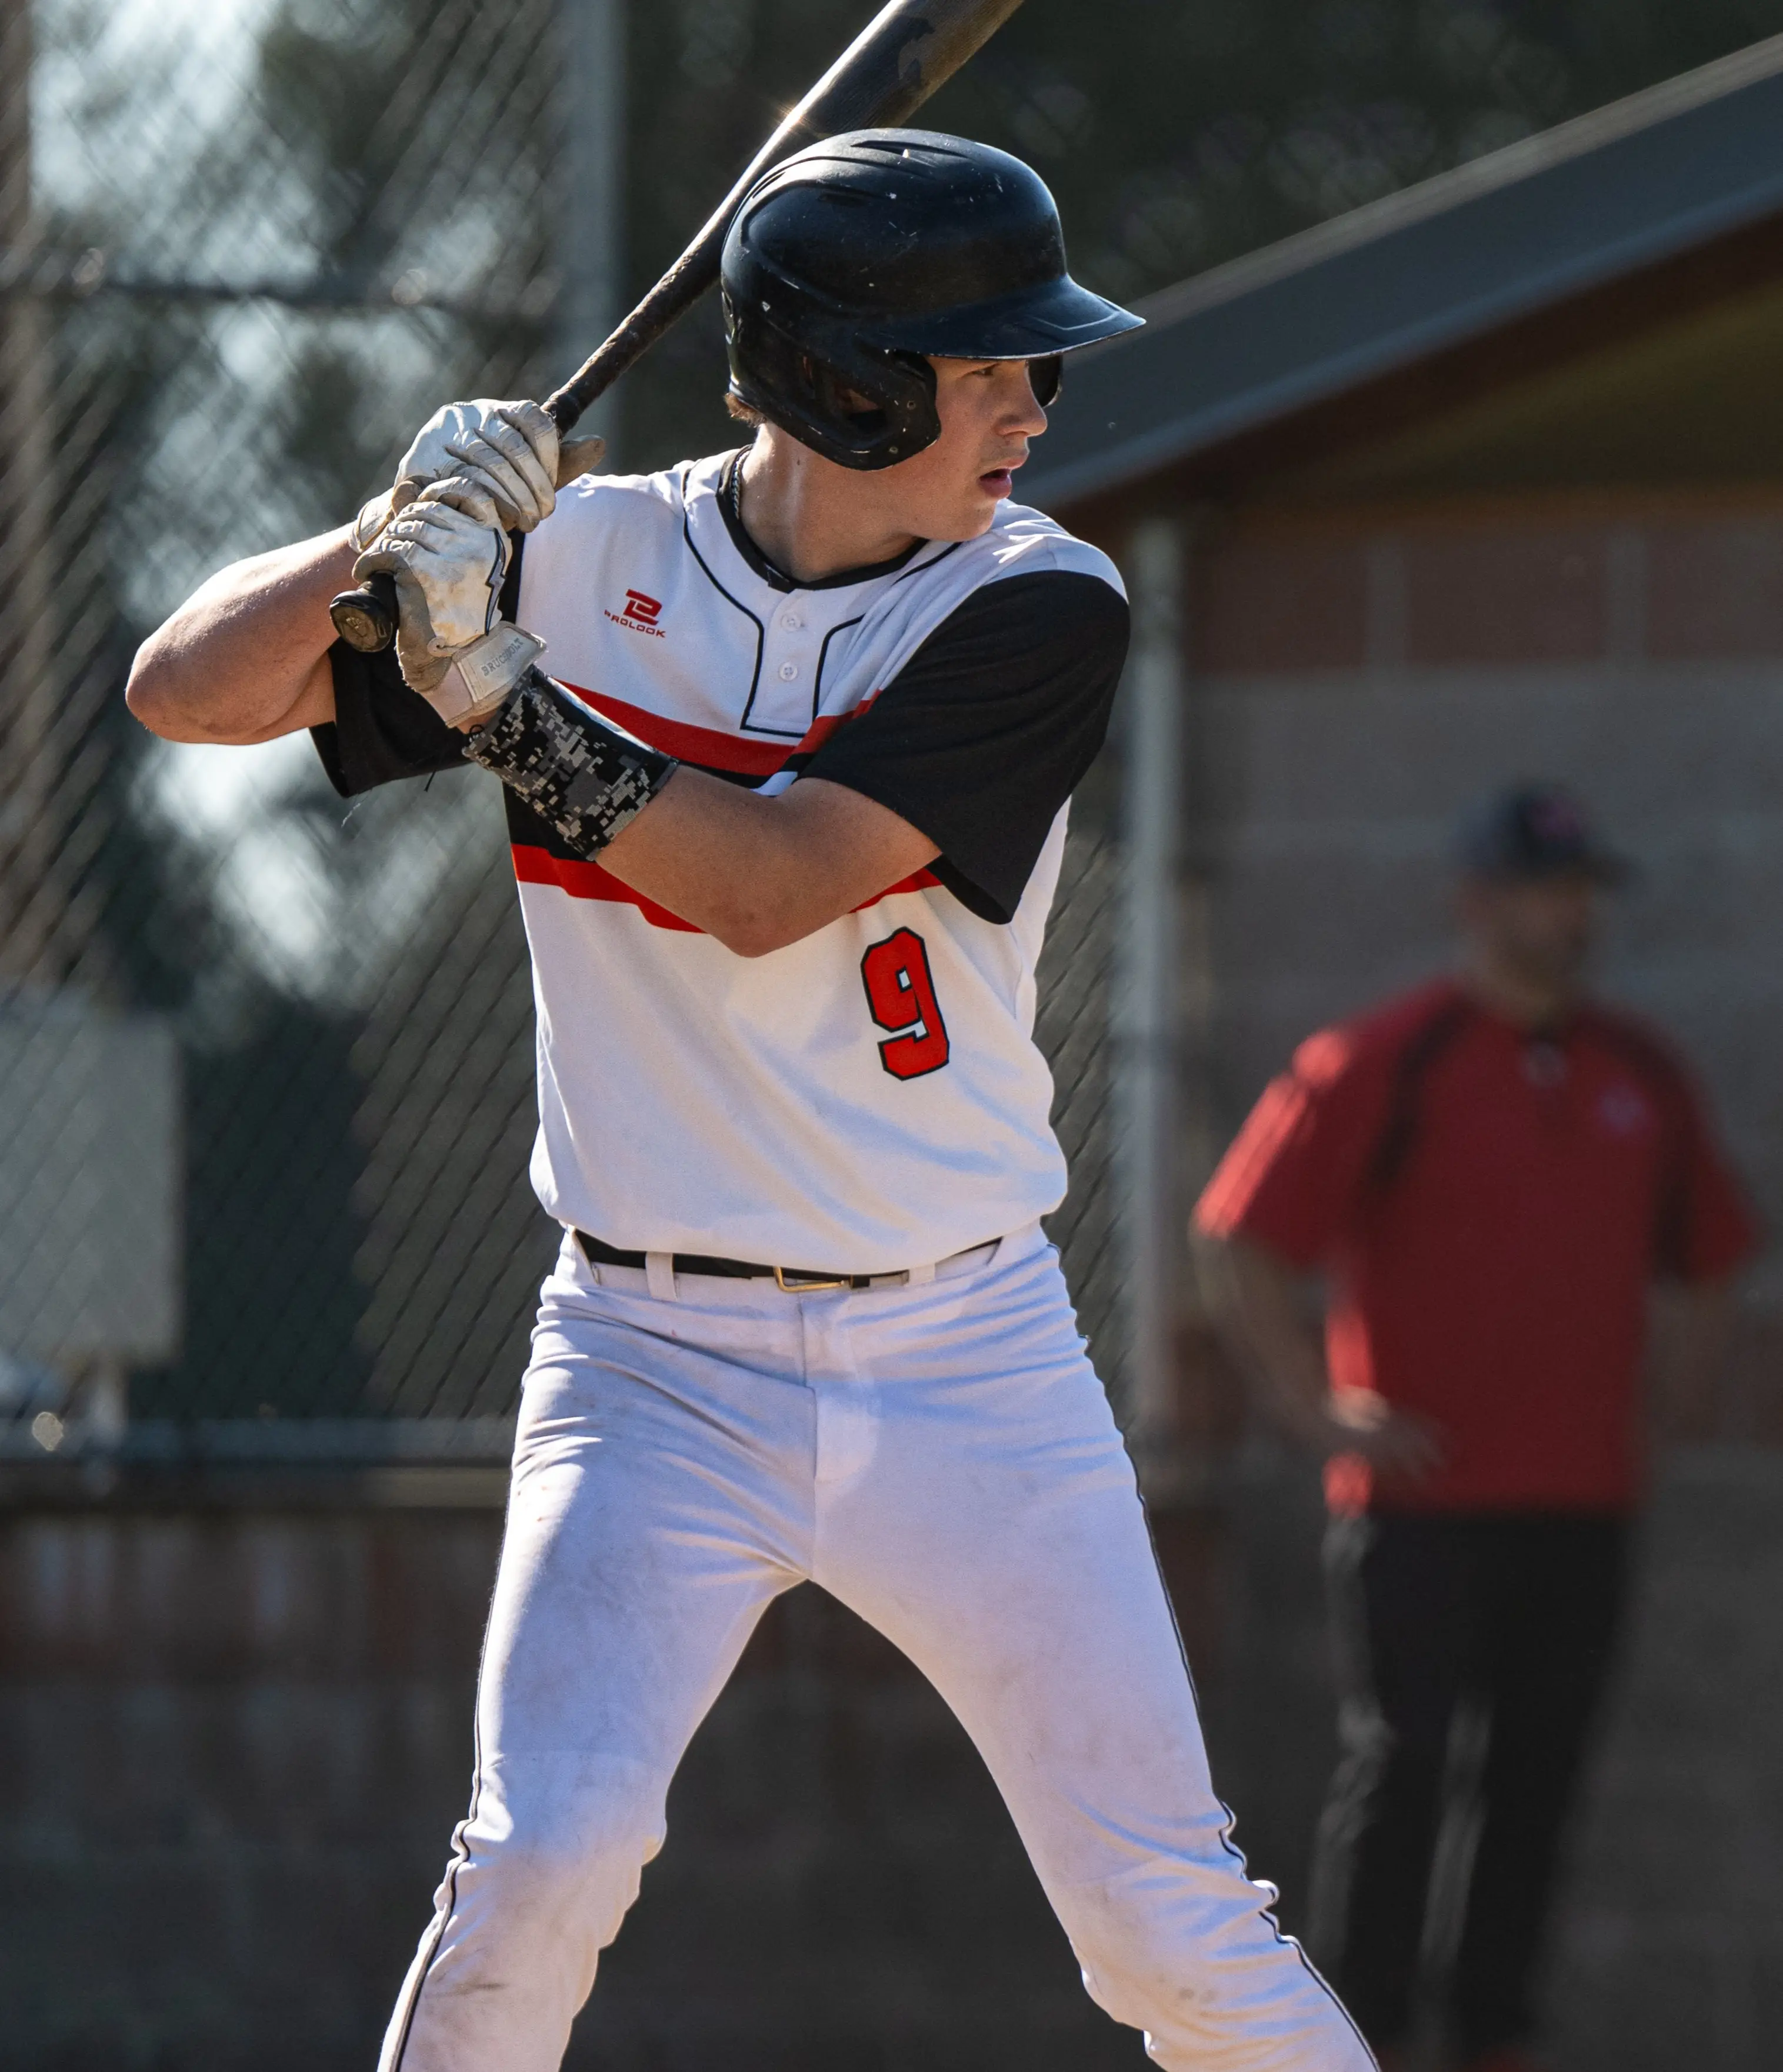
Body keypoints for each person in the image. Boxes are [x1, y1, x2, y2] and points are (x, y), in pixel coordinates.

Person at [126, 132, 1372, 2072]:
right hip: (648, 1360)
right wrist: (397, 524)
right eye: (983, 366)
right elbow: (184, 692)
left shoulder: (1037, 600)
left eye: (1033, 364)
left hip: (966, 1352)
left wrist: (495, 693)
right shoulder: (582, 559)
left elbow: (769, 885)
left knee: (1168, 1931)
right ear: (846, 383)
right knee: (543, 1858)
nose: (1031, 408)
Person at [1192, 783, 1757, 2072]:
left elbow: (1713, 1251)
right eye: (1546, 890)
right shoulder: (1390, 1058)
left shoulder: (1638, 1070)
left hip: (1583, 1502)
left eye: (1581, 893)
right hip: (1419, 1510)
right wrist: (1315, 1408)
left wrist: (1677, 1397)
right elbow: (1239, 1235)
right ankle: (1362, 2041)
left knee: (1538, 1784)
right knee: (1401, 1772)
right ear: (1477, 901)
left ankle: (1494, 2040)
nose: (1570, 916)